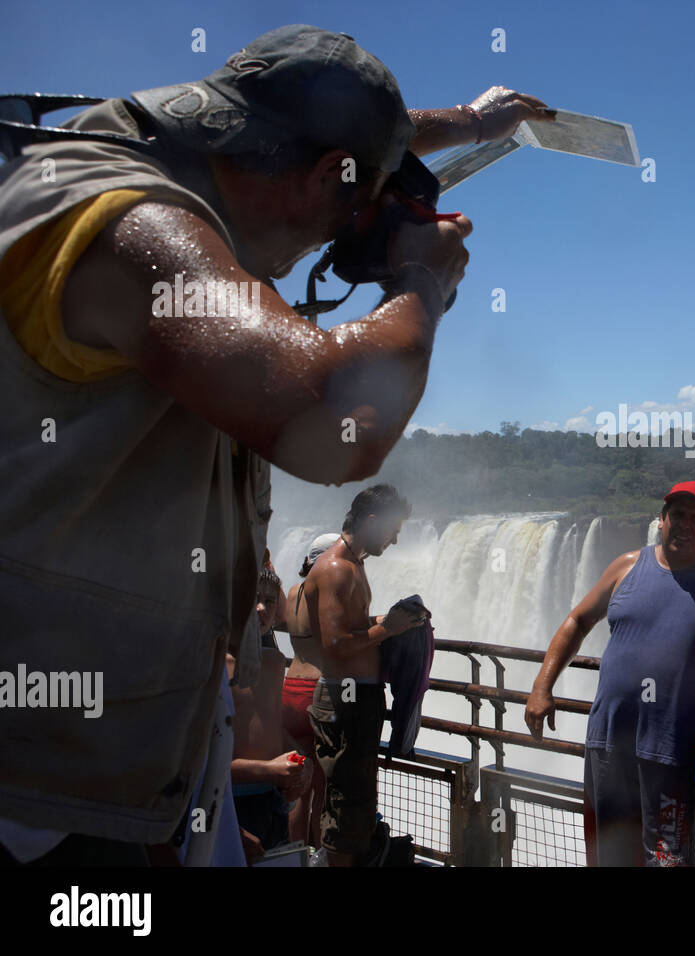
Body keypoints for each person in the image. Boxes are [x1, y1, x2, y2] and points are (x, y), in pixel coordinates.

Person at [0, 23, 550, 860]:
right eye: (348, 209)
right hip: (50, 805)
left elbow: (338, 133)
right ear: (325, 175)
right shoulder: (128, 220)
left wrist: (475, 124)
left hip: (115, 769)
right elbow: (336, 425)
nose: (327, 246)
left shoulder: (125, 144)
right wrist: (420, 283)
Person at [525, 481, 695, 866]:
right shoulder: (627, 565)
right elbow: (577, 621)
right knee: (609, 855)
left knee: (667, 859)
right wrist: (541, 686)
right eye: (677, 515)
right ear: (662, 520)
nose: (684, 524)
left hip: (674, 748)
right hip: (609, 742)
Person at [304, 484, 426, 867]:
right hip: (347, 702)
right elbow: (336, 644)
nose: (395, 539)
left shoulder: (353, 564)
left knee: (354, 806)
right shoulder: (338, 569)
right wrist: (388, 628)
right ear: (373, 521)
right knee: (348, 811)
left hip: (355, 700)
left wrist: (398, 623)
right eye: (393, 529)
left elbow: (352, 628)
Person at [229, 563, 308, 863]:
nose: (261, 608)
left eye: (270, 601)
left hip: (273, 799)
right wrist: (268, 770)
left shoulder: (275, 661)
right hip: (232, 800)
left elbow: (271, 725)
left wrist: (299, 754)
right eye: (253, 598)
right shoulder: (215, 666)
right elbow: (199, 759)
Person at [282, 533, 338, 849]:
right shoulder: (328, 594)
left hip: (290, 689)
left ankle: (293, 856)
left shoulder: (292, 593)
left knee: (298, 788)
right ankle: (318, 854)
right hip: (319, 693)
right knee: (322, 786)